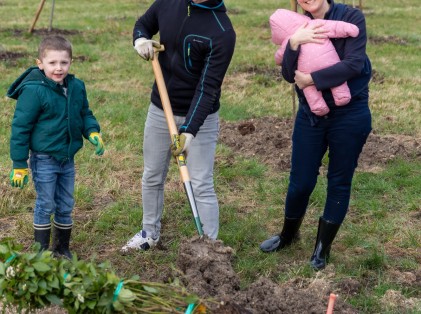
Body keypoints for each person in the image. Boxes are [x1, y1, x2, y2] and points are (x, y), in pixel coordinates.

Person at [260, 0, 372, 271]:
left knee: (339, 180)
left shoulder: (351, 17)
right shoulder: (295, 24)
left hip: (349, 113)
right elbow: (289, 74)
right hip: (310, 115)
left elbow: (354, 65)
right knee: (300, 181)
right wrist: (294, 43)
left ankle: (322, 248)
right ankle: (288, 234)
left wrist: (312, 79)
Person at [121, 0, 236, 252]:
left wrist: (190, 131)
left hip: (200, 118)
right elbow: (143, 24)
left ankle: (209, 247)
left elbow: (208, 89)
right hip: (161, 108)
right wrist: (140, 40)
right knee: (152, 175)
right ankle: (148, 233)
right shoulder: (168, 2)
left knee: (200, 182)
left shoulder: (222, 32)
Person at [8, 35, 105, 259]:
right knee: (46, 203)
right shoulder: (34, 91)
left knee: (66, 202)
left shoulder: (76, 87)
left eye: (64, 62)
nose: (59, 68)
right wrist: (20, 163)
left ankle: (62, 248)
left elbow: (84, 113)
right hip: (44, 158)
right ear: (40, 63)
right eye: (52, 63)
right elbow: (20, 127)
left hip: (66, 158)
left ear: (71, 62)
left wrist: (92, 131)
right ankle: (40, 252)